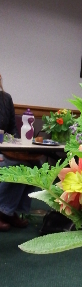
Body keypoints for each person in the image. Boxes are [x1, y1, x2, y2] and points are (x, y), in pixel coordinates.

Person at [0, 74, 32, 231]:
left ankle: (9, 210)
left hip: (5, 148)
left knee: (33, 164)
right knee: (16, 166)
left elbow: (12, 128)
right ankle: (3, 210)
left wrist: (17, 145)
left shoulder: (6, 99)